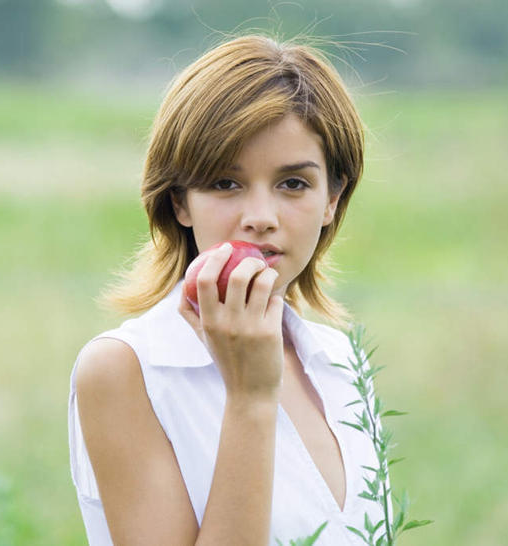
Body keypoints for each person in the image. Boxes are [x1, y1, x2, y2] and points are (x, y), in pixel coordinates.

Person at [68, 34, 389, 545]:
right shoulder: (128, 369)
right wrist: (251, 398)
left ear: (333, 198)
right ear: (180, 203)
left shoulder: (342, 362)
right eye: (224, 183)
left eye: (293, 184)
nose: (259, 218)